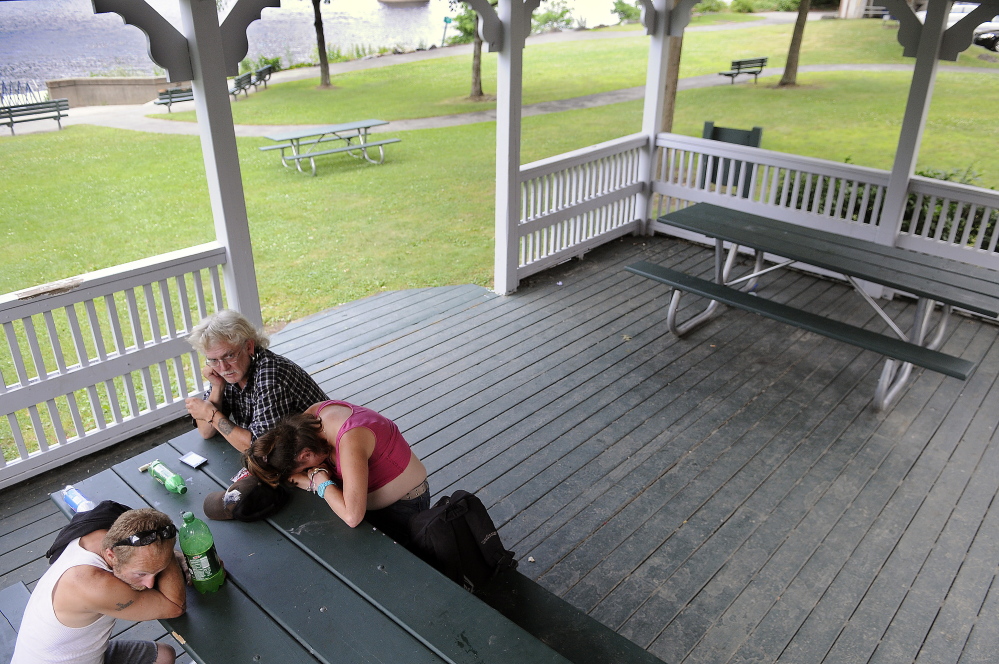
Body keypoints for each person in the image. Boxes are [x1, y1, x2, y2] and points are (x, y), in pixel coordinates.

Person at [11, 508, 187, 664]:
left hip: (76, 655)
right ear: (111, 556)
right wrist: (165, 552)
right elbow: (175, 606)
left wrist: (160, 551)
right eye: (141, 574)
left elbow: (146, 531)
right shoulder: (94, 585)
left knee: (162, 656)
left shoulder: (108, 535)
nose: (149, 584)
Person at [242, 401, 430, 545]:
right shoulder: (305, 426)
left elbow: (352, 516)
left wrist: (319, 480)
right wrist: (310, 480)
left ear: (305, 455)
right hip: (364, 501)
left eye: (303, 469)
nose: (307, 472)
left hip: (404, 505)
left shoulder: (350, 439)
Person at [184, 309, 328, 454]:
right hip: (291, 454)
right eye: (214, 360)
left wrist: (211, 414)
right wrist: (217, 387)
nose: (223, 367)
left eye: (229, 355)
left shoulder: (271, 375)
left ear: (249, 347)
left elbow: (259, 449)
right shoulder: (224, 373)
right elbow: (206, 433)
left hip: (324, 450)